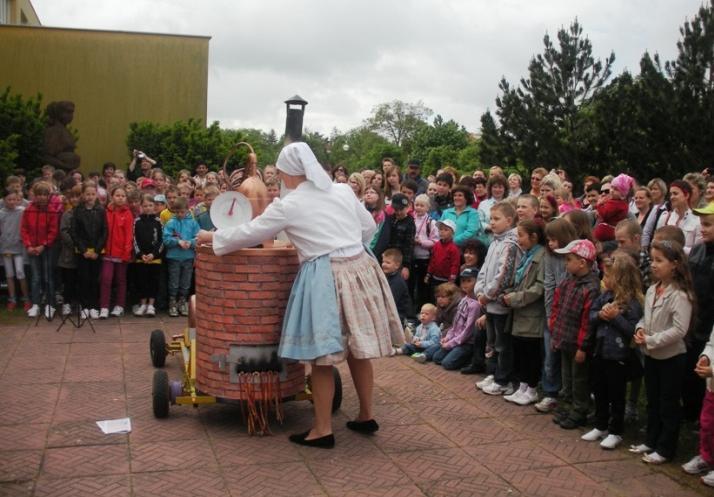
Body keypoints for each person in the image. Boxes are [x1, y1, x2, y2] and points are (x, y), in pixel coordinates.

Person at [197, 141, 403, 449]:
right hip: (360, 267)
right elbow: (366, 228)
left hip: (325, 274)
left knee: (322, 356)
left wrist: (213, 236)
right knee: (359, 348)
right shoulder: (343, 191)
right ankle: (365, 415)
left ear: (288, 173)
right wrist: (345, 244)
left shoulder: (288, 204)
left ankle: (322, 430)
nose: (279, 177)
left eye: (280, 172)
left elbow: (252, 232)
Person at [630, 240, 693, 464]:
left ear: (674, 264)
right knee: (653, 400)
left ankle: (666, 448)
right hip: (652, 355)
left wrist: (651, 339)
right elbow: (645, 317)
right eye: (652, 260)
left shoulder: (680, 295)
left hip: (672, 357)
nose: (654, 265)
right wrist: (639, 329)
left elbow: (679, 330)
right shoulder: (651, 290)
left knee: (668, 403)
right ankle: (651, 439)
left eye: (660, 261)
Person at [581, 253, 643, 450]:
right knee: (599, 390)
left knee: (616, 394)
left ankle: (615, 430)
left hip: (619, 356)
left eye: (608, 276)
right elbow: (591, 316)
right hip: (600, 351)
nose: (604, 280)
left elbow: (632, 330)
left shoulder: (632, 303)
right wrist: (601, 314)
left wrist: (615, 317)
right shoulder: (605, 296)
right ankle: (601, 425)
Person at [550, 239, 600, 429]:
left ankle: (580, 410)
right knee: (567, 377)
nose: (566, 263)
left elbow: (588, 322)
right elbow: (557, 306)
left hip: (578, 343)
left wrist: (583, 346)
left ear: (582, 262)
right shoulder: (568, 282)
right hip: (564, 337)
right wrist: (555, 329)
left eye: (569, 259)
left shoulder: (591, 287)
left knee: (580, 378)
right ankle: (569, 406)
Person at [475, 202, 521, 395]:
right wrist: (479, 290)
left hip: (499, 304)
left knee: (503, 344)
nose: (492, 223)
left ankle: (504, 380)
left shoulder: (510, 245)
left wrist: (487, 295)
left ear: (509, 221)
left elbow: (504, 276)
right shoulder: (495, 242)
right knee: (493, 342)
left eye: (496, 219)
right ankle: (494, 374)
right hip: (489, 304)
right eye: (491, 219)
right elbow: (485, 269)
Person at [535, 219, 579, 414]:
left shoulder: (575, 256)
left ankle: (570, 397)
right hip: (553, 314)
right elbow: (549, 284)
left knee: (569, 361)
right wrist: (550, 315)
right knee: (550, 356)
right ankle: (551, 393)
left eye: (554, 239)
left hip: (570, 317)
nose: (551, 243)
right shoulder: (549, 256)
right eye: (548, 240)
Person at [502, 219, 546, 406]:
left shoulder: (542, 256)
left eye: (521, 235)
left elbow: (539, 288)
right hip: (519, 314)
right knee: (520, 350)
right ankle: (522, 386)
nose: (518, 239)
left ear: (534, 236)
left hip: (531, 314)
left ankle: (532, 388)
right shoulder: (527, 254)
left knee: (531, 353)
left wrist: (516, 298)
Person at [682, 203, 714, 422]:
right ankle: (692, 415)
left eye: (708, 224)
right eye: (701, 224)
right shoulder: (697, 249)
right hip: (695, 320)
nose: (702, 229)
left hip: (711, 325)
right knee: (690, 372)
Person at [21, 181, 60, 318]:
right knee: (35, 278)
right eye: (39, 194)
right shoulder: (28, 210)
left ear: (49, 196)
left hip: (47, 249)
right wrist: (29, 245)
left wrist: (43, 245)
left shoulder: (52, 211)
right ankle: (36, 304)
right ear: (34, 196)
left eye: (45, 194)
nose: (42, 197)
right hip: (32, 249)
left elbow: (53, 231)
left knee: (48, 277)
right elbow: (24, 229)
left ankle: (50, 304)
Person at [682, 324, 714, 487]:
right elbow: (711, 344)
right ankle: (706, 457)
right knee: (707, 423)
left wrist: (713, 370)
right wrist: (705, 357)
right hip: (712, 387)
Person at [431, 268, 481, 370]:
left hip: (466, 343)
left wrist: (450, 344)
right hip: (455, 339)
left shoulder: (475, 305)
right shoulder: (463, 300)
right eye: (463, 281)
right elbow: (455, 324)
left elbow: (468, 331)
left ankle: (469, 358)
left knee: (447, 364)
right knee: (436, 358)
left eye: (469, 281)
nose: (465, 284)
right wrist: (448, 337)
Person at [99, 185, 134, 319]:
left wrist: (126, 252)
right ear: (112, 197)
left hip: (121, 253)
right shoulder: (106, 211)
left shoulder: (127, 213)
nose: (120, 198)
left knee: (120, 280)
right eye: (117, 195)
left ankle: (119, 306)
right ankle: (104, 306)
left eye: (123, 196)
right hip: (107, 252)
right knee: (106, 279)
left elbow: (129, 234)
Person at [163, 196, 199, 317]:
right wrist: (177, 242)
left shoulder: (193, 223)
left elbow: (199, 237)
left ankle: (183, 301)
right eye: (177, 212)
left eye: (182, 212)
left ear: (187, 210)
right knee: (174, 281)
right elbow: (166, 239)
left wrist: (191, 243)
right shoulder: (170, 223)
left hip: (188, 257)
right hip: (174, 257)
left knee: (186, 281)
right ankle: (173, 302)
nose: (180, 214)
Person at [132, 194, 163, 317]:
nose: (148, 208)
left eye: (150, 205)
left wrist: (154, 254)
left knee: (153, 281)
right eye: (145, 205)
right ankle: (143, 304)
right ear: (141, 207)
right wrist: (140, 254)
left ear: (154, 207)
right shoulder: (137, 222)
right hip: (141, 259)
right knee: (142, 281)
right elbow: (134, 239)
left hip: (154, 259)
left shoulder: (158, 222)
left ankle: (151, 305)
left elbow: (161, 241)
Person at [0, 189, 30, 311]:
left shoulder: (22, 211)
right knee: (9, 274)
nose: (12, 202)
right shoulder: (1, 213)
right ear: (4, 200)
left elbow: (30, 205)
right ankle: (12, 299)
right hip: (6, 247)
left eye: (14, 199)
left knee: (20, 272)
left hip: (19, 247)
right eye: (9, 199)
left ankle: (26, 298)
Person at [657, 180, 702, 254]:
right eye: (670, 194)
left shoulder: (697, 220)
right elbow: (656, 241)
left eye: (675, 194)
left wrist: (675, 247)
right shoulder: (665, 217)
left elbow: (698, 251)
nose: (671, 197)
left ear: (686, 195)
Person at [412, 194, 438, 310]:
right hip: (412, 257)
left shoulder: (431, 222)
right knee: (412, 284)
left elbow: (435, 241)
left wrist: (421, 242)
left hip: (425, 258)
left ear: (427, 208)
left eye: (422, 205)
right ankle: (413, 308)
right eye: (416, 205)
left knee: (423, 285)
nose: (418, 208)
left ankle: (423, 308)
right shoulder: (411, 219)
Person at [57, 185, 81, 315]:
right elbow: (64, 232)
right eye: (73, 196)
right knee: (68, 281)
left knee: (81, 280)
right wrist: (75, 244)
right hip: (69, 254)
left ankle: (80, 303)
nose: (75, 199)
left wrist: (82, 246)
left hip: (83, 253)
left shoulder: (85, 213)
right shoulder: (67, 214)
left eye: (78, 196)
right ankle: (66, 303)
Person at [425, 220, 461, 299]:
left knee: (445, 299)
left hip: (446, 281)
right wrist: (428, 273)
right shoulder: (437, 245)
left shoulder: (454, 248)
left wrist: (451, 280)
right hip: (435, 278)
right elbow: (432, 261)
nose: (442, 232)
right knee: (434, 297)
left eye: (446, 230)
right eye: (440, 229)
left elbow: (455, 265)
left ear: (452, 233)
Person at [594, 173, 632, 243]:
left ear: (622, 195)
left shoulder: (615, 203)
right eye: (612, 187)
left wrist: (599, 205)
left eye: (616, 189)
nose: (612, 191)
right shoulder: (620, 203)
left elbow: (604, 214)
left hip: (609, 234)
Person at [385, 193, 415, 280]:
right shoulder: (390, 219)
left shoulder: (410, 223)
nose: (398, 212)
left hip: (400, 260)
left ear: (407, 207)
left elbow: (409, 245)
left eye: (401, 209)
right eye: (396, 209)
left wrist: (406, 266)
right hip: (387, 256)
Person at [381, 248, 411, 325]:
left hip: (398, 316)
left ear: (397, 265)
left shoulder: (397, 282)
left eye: (388, 262)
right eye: (383, 261)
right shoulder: (386, 276)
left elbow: (390, 300)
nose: (384, 264)